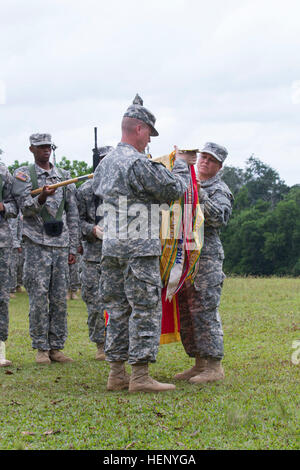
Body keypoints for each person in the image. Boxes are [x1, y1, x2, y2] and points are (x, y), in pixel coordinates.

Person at [92, 94, 197, 393]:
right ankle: (139, 377)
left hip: (111, 247)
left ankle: (116, 374)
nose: (150, 140)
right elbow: (174, 189)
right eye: (149, 133)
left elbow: (94, 190)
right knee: (144, 308)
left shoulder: (107, 162)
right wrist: (179, 165)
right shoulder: (137, 163)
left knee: (117, 308)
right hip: (138, 248)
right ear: (138, 128)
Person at [12, 133, 79, 364]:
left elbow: (73, 213)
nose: (46, 151)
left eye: (48, 147)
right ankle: (41, 348)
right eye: (41, 147)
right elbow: (24, 209)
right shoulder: (24, 176)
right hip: (36, 244)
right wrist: (41, 198)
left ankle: (56, 347)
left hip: (60, 244)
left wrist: (73, 246)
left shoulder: (64, 176)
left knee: (59, 298)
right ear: (32, 149)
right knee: (39, 298)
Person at [175, 142, 233, 384]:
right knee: (188, 310)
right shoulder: (185, 182)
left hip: (206, 257)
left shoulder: (220, 189)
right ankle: (199, 362)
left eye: (211, 159)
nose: (204, 161)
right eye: (202, 157)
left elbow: (218, 218)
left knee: (205, 309)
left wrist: (200, 192)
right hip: (185, 255)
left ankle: (214, 366)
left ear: (219, 166)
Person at [76, 145, 113, 361]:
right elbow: (75, 220)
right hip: (92, 255)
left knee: (117, 301)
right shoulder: (85, 191)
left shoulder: (120, 188)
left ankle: (116, 343)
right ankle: (100, 344)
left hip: (115, 253)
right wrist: (91, 230)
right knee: (94, 301)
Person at [0, 161, 18, 367]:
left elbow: (15, 204)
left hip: (1, 243)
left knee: (1, 297)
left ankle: (0, 349)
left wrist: (4, 206)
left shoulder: (3, 171)